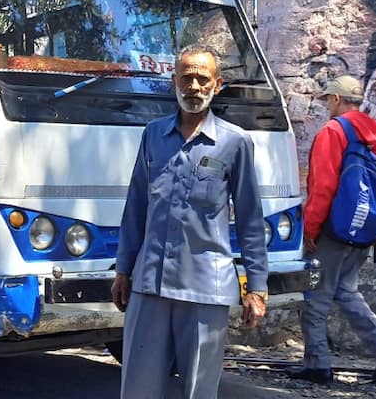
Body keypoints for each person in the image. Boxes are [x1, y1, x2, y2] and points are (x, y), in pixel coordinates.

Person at [111, 45, 268, 399]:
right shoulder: (153, 135)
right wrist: (123, 269)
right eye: (187, 78)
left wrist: (256, 288)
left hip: (205, 289)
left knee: (198, 389)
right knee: (137, 387)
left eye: (202, 79)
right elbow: (136, 205)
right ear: (174, 83)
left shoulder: (235, 143)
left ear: (217, 85)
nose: (194, 86)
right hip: (149, 285)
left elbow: (250, 218)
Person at [289, 75, 376, 385]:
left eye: (328, 100)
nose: (327, 105)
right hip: (365, 227)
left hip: (333, 229)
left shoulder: (333, 131)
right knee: (345, 290)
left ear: (337, 100)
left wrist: (310, 229)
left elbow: (324, 186)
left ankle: (317, 365)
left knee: (315, 295)